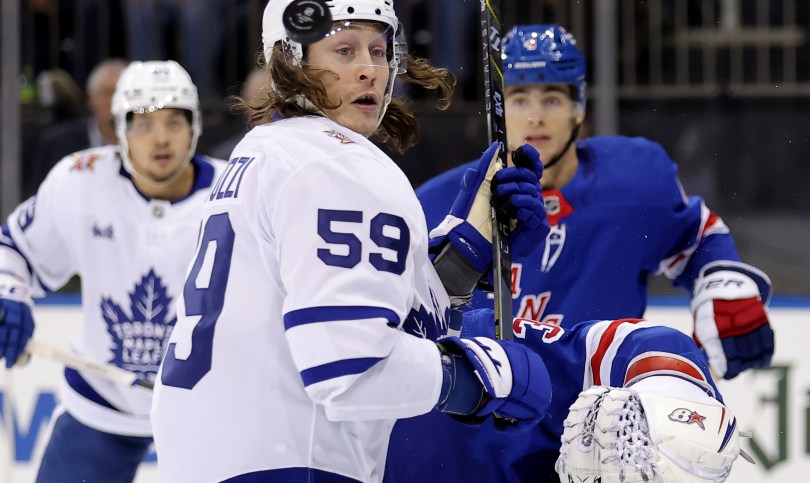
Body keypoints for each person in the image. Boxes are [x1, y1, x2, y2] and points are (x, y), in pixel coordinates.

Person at [150, 1, 555, 482]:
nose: (368, 70)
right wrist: (486, 377)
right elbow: (349, 369)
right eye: (344, 49)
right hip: (291, 465)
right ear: (289, 61)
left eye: (379, 50)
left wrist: (464, 252)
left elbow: (352, 313)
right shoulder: (335, 165)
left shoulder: (267, 151)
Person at [385, 23, 773, 481]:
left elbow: (698, 235)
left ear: (579, 108)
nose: (536, 117)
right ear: (497, 109)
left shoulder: (631, 182)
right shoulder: (439, 204)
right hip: (477, 443)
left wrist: (723, 279)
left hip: (603, 439)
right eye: (520, 98)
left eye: (552, 99)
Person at [0, 60, 227, 482]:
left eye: (174, 123)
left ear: (195, 127)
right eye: (143, 124)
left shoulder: (234, 195)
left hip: (209, 408)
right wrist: (3, 296)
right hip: (102, 402)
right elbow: (8, 248)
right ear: (118, 130)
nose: (160, 139)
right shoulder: (80, 181)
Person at [29, 58, 128, 195]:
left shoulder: (147, 144)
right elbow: (41, 200)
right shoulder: (57, 145)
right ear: (91, 98)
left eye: (123, 93)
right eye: (108, 92)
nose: (116, 101)